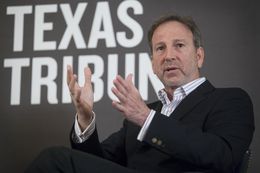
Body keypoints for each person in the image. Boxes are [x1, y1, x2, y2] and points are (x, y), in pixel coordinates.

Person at [25, 13, 255, 173]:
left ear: (199, 56)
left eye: (179, 45)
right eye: (160, 48)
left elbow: (224, 157)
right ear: (153, 63)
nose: (169, 56)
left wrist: (148, 119)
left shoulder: (230, 100)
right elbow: (94, 164)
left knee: (53, 159)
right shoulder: (141, 115)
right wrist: (85, 119)